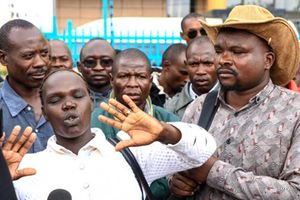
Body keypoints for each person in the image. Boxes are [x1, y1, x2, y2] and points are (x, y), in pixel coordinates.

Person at [7, 69, 216, 200]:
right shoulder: (26, 169)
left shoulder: (130, 152)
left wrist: (165, 132)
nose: (69, 104)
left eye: (77, 96)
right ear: (44, 112)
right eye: (55, 100)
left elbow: (204, 150)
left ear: (91, 101)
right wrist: (2, 181)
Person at [169, 5, 300, 200]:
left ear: (268, 60)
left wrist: (213, 172)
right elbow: (176, 166)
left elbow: (295, 192)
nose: (224, 60)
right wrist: (176, 181)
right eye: (219, 51)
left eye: (238, 52)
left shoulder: (294, 111)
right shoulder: (199, 107)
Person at [91, 48, 179, 200]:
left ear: (150, 81)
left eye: (140, 77)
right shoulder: (95, 119)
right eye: (124, 76)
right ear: (112, 80)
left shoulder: (169, 120)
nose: (133, 84)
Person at [0, 19, 53, 153]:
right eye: (28, 56)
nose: (40, 63)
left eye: (44, 54)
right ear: (3, 58)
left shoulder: (66, 99)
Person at [165, 36, 217, 119]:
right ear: (186, 66)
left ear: (218, 63)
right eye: (194, 64)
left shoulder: (232, 101)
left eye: (207, 63)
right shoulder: (170, 108)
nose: (200, 71)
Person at [77, 38, 115, 109]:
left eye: (106, 62)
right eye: (90, 62)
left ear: (116, 65)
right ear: (79, 66)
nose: (98, 68)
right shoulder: (70, 99)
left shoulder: (127, 96)